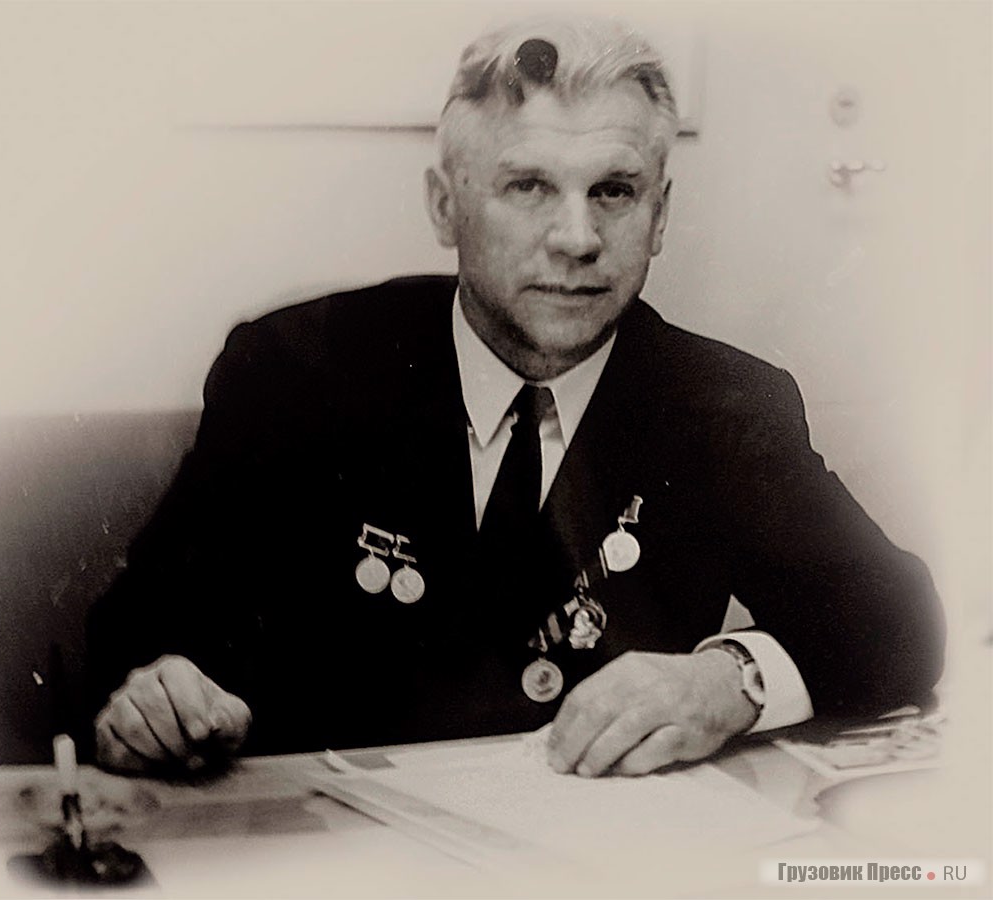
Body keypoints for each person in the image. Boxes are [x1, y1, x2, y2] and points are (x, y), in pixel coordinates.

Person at [84, 15, 944, 778]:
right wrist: (157, 699)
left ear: (660, 216)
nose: (577, 238)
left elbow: (903, 624)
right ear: (445, 207)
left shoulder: (721, 404)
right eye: (528, 186)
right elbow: (131, 636)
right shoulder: (298, 371)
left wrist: (731, 681)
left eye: (614, 191)